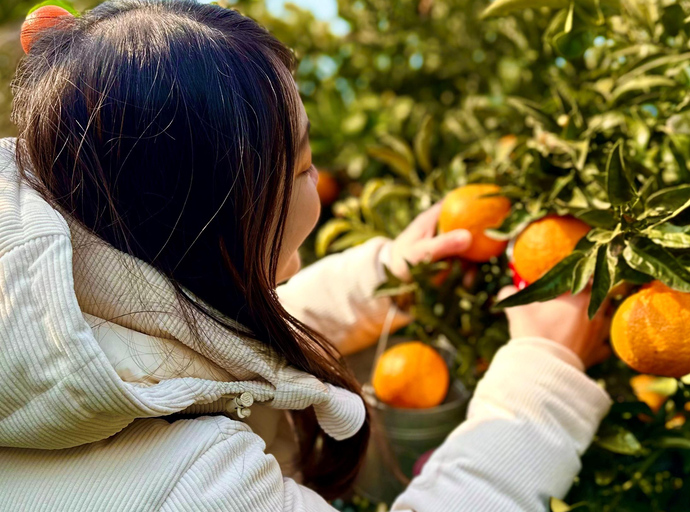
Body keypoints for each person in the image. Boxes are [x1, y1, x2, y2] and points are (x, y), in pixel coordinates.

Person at [0, 1, 612, 510]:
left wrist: (383, 273)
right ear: (225, 216)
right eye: (302, 164)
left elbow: (188, 350)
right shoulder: (191, 486)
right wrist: (545, 371)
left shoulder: (48, 299)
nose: (317, 181)